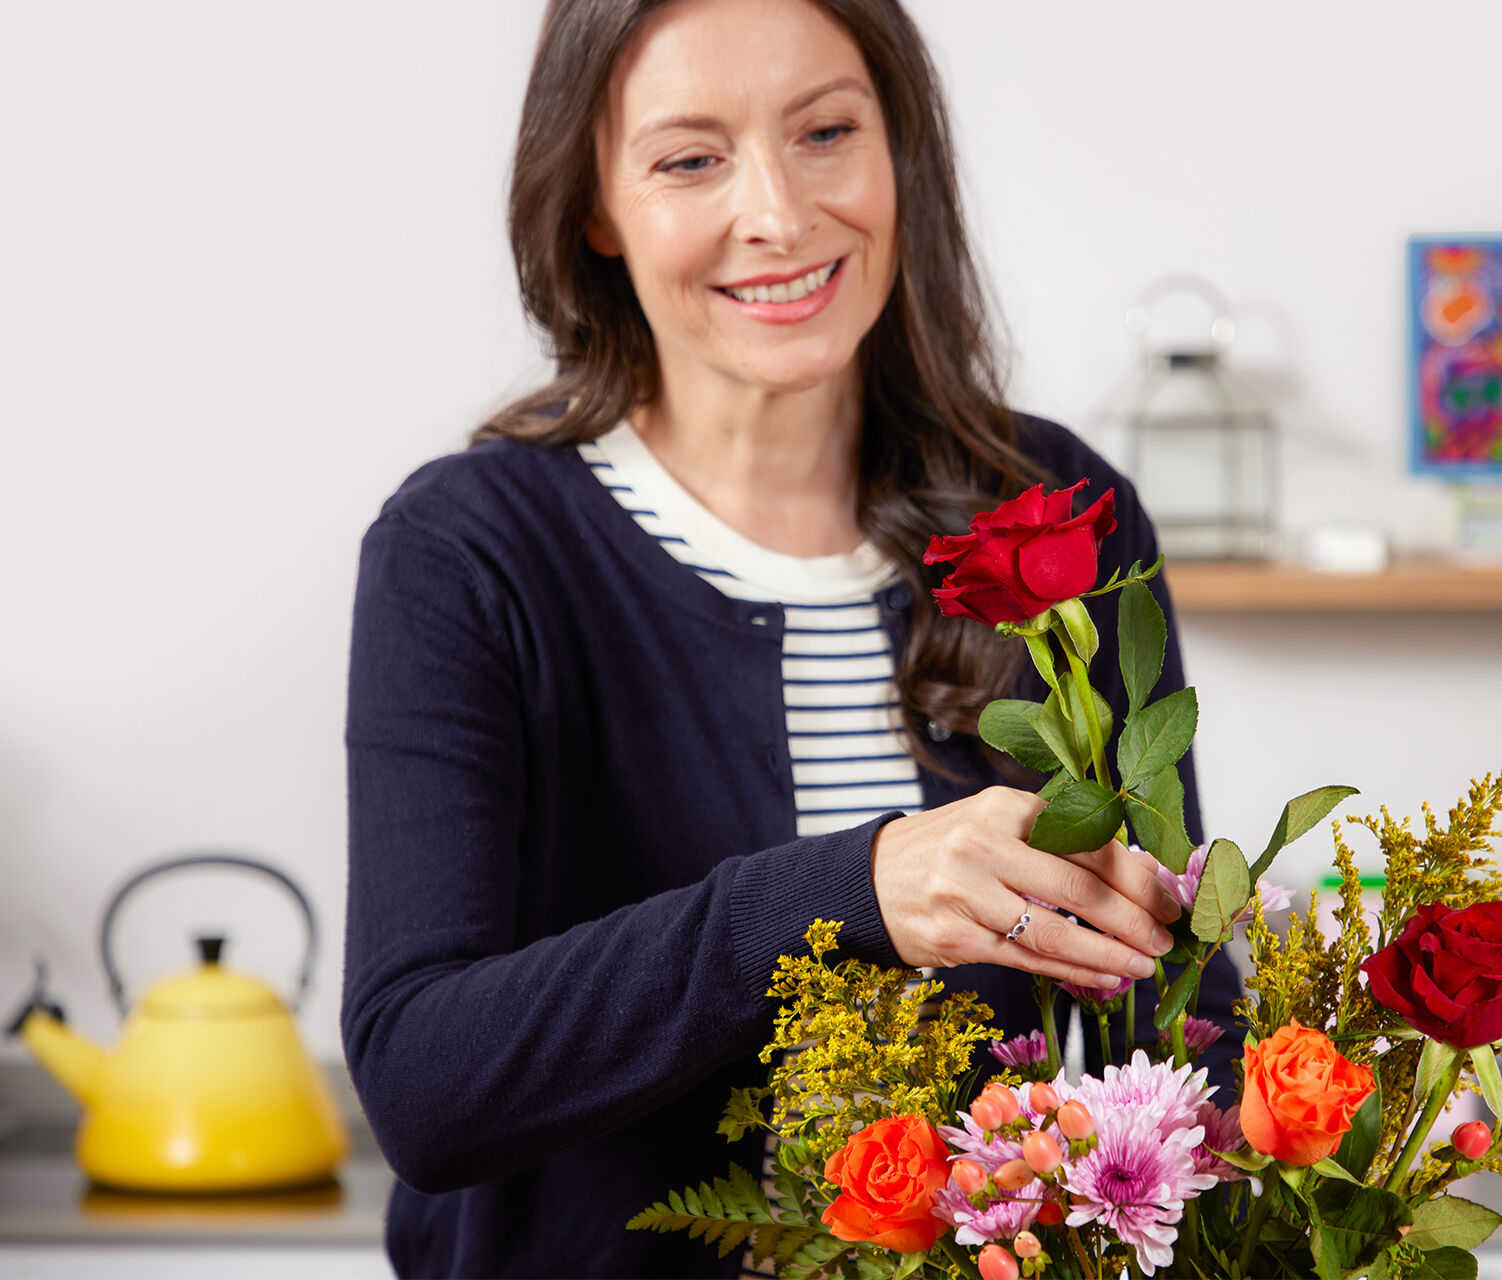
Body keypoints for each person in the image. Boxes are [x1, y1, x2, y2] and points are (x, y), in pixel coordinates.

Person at [341, 0, 1241, 1275]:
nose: (779, 212)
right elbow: (425, 1081)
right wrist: (854, 890)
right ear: (596, 206)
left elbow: (1178, 1010)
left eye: (826, 131)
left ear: (898, 150)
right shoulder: (469, 551)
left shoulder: (1054, 512)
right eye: (689, 157)